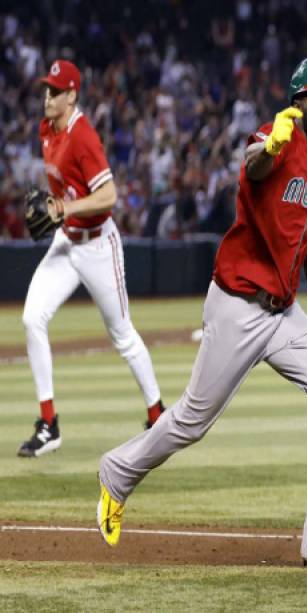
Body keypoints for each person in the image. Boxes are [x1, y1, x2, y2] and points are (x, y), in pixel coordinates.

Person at [97, 56, 307, 569]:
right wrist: (274, 143)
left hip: (283, 315)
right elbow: (254, 164)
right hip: (238, 304)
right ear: (297, 102)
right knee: (192, 421)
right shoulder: (273, 136)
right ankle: (117, 473)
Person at [18, 60, 165, 458]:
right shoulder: (46, 130)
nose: (47, 96)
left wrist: (65, 208)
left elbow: (109, 196)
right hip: (67, 243)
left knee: (123, 336)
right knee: (33, 317)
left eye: (54, 91)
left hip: (99, 244)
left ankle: (158, 415)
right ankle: (49, 424)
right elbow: (62, 192)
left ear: (72, 95)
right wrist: (55, 208)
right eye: (46, 89)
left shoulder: (83, 136)